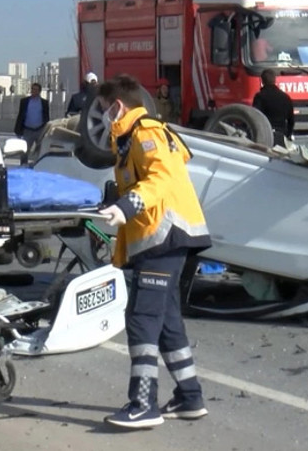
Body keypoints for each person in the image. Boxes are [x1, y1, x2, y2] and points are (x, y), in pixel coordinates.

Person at [96, 74, 212, 429]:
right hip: (164, 238)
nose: (102, 118)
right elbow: (145, 181)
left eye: (104, 110)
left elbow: (159, 179)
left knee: (142, 319)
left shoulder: (145, 133)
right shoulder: (133, 137)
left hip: (163, 236)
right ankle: (189, 396)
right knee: (166, 323)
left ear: (119, 106)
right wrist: (114, 201)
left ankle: (143, 404)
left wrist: (128, 206)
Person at [252, 68, 294, 146]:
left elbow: (256, 116)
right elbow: (291, 120)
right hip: (281, 135)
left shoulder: (260, 97)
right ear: (275, 80)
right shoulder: (285, 97)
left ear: (262, 81)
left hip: (266, 135)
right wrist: (288, 134)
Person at [14, 82, 50, 163]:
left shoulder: (44, 103)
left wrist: (47, 130)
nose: (34, 91)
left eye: (36, 90)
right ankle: (23, 166)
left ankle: (40, 165)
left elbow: (47, 117)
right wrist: (18, 130)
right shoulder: (24, 101)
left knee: (41, 150)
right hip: (28, 130)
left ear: (39, 91)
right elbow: (20, 115)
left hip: (40, 130)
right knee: (24, 150)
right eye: (33, 89)